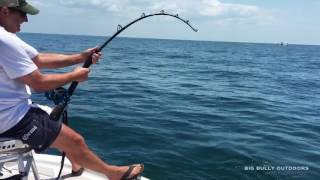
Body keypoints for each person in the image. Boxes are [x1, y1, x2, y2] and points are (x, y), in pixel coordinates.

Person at [0, 0, 144, 179]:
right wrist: (73, 76)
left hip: (10, 111)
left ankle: (76, 162)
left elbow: (38, 59)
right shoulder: (3, 40)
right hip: (9, 119)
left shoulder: (6, 38)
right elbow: (38, 82)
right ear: (5, 11)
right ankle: (113, 174)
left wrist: (81, 57)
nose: (26, 19)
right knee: (76, 140)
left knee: (54, 115)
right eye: (22, 14)